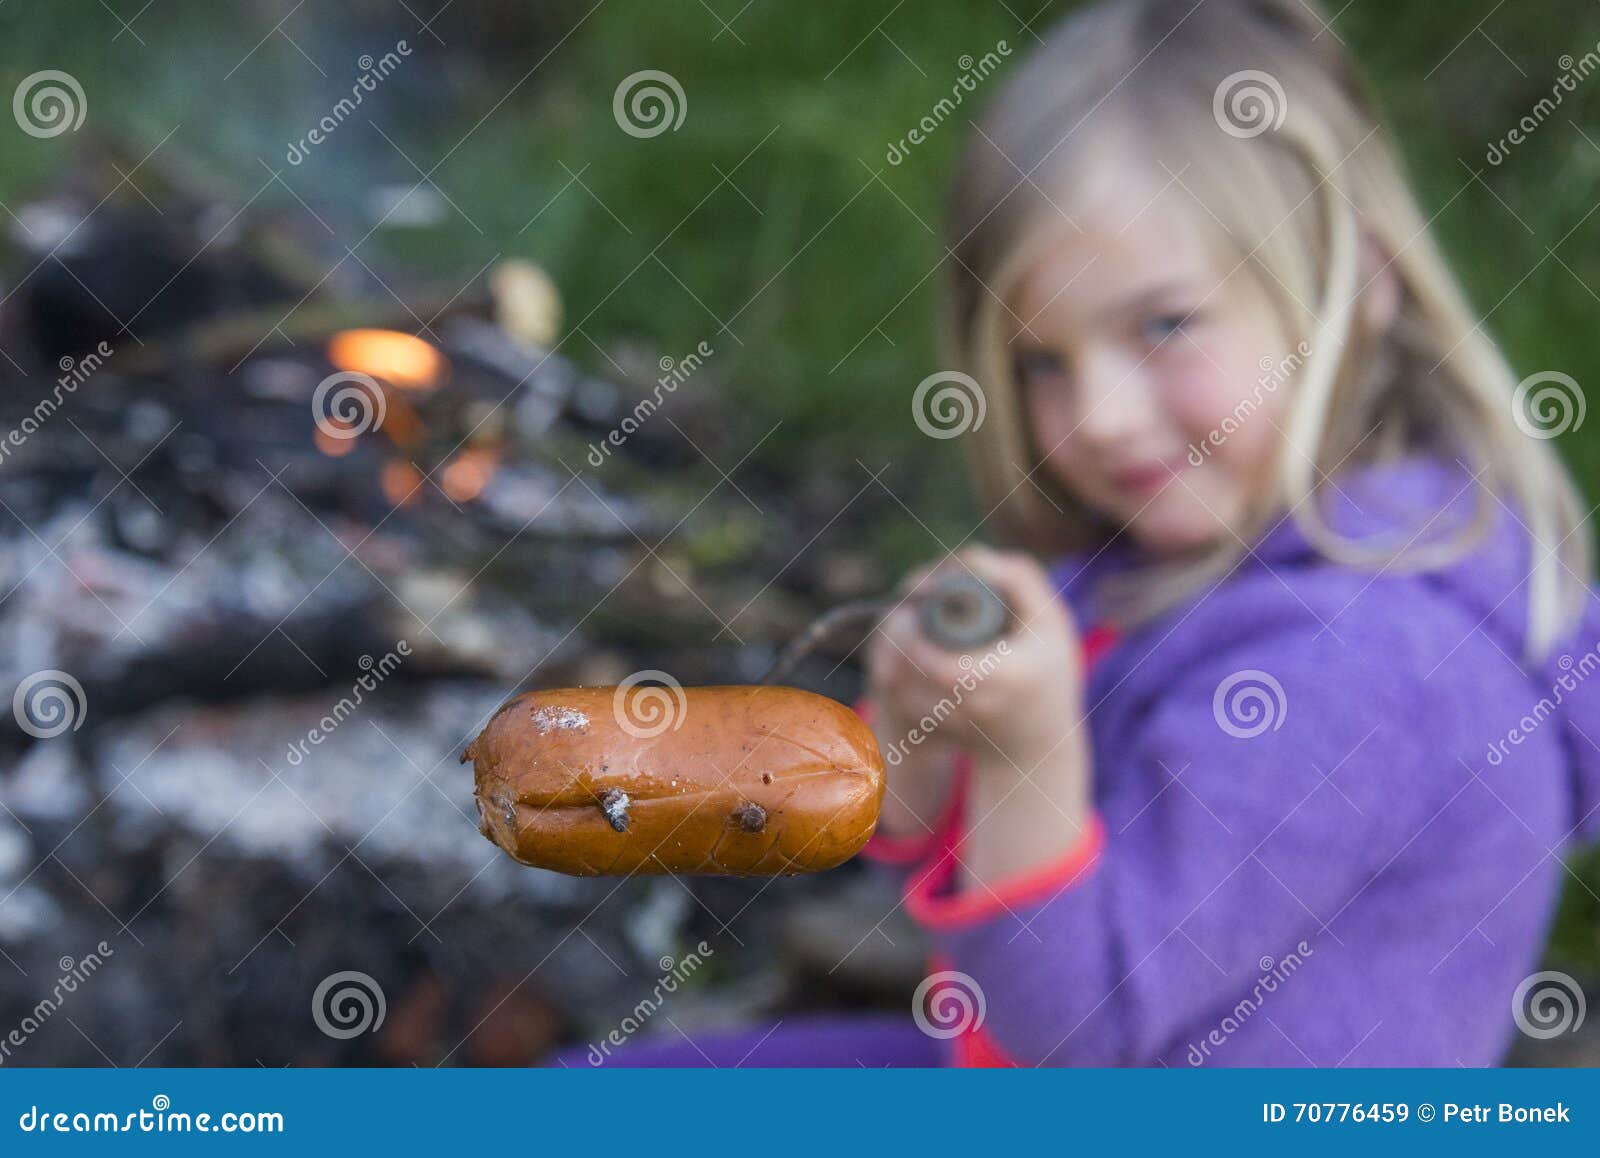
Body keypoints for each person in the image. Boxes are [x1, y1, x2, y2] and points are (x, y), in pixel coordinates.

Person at [561, 0, 1600, 1066]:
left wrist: (1024, 754)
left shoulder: (1367, 668)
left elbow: (1073, 1030)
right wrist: (928, 754)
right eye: (1041, 362)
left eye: (1163, 326)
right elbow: (994, 930)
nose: (1096, 416)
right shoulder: (1187, 561)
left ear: (1360, 284)